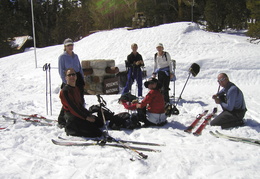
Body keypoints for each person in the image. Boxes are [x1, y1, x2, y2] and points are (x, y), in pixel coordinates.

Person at [59, 68, 103, 137]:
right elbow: (73, 108)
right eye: (69, 75)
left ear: (76, 76)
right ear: (66, 78)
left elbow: (80, 106)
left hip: (79, 115)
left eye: (73, 74)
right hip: (72, 117)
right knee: (97, 133)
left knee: (99, 123)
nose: (71, 77)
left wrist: (88, 114)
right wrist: (86, 117)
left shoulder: (76, 89)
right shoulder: (65, 91)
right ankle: (71, 128)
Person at [58, 38, 85, 127]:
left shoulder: (75, 56)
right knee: (68, 100)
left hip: (77, 77)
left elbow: (79, 68)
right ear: (65, 47)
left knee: (79, 98)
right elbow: (61, 70)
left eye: (71, 45)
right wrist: (65, 81)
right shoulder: (62, 57)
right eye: (68, 45)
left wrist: (82, 78)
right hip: (69, 78)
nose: (70, 47)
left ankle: (80, 115)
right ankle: (62, 119)